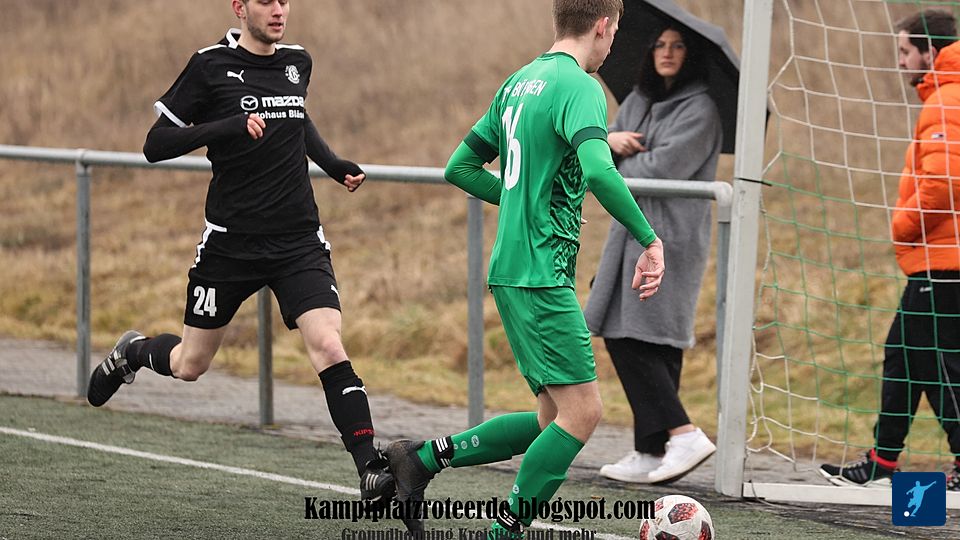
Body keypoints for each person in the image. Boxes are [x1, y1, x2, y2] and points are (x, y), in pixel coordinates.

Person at [85, 0, 395, 505]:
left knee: (328, 345)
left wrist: (333, 164)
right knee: (190, 364)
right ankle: (133, 352)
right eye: (265, 1)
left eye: (284, 1)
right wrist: (225, 126)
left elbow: (296, 119)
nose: (278, 10)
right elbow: (155, 145)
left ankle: (370, 469)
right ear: (239, 7)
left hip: (297, 240)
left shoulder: (298, 62)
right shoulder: (209, 66)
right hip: (230, 245)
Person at [383, 1, 665, 538]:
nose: (612, 46)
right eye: (615, 33)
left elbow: (459, 168)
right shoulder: (580, 86)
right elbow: (600, 171)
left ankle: (420, 459)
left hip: (512, 270)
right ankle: (503, 531)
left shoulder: (518, 82)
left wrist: (522, 200)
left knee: (550, 419)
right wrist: (650, 240)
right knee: (582, 413)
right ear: (602, 26)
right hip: (540, 275)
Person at [819, 8, 960, 491]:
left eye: (905, 51)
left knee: (939, 366)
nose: (900, 62)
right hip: (936, 261)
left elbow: (943, 183)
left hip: (944, 263)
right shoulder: (944, 95)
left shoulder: (947, 99)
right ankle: (883, 463)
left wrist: (901, 225)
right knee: (903, 355)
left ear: (930, 52)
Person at [583, 23, 721, 485]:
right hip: (631, 230)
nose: (667, 52)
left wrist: (614, 155)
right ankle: (651, 448)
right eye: (660, 44)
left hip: (672, 237)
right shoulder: (638, 100)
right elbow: (596, 156)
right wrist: (610, 141)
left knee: (644, 334)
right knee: (634, 333)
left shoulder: (701, 109)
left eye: (677, 45)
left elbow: (662, 167)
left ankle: (683, 433)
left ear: (690, 54)